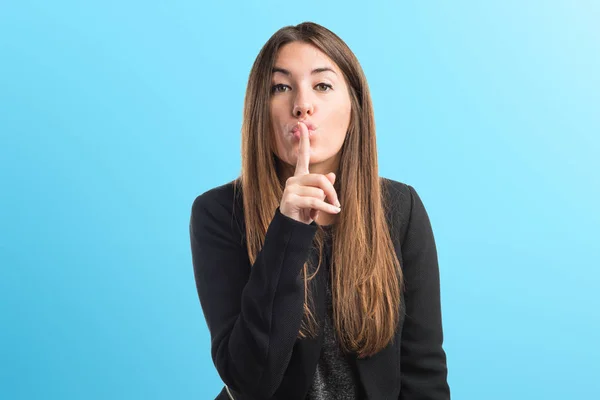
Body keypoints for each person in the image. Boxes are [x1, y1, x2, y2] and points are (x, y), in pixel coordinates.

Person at [189, 21, 450, 400]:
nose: (302, 105)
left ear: (354, 106)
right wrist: (288, 231)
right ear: (261, 109)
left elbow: (424, 375)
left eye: (322, 85)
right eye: (281, 87)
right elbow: (249, 383)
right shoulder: (217, 214)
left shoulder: (401, 208)